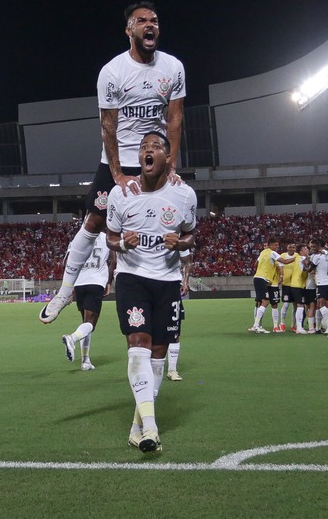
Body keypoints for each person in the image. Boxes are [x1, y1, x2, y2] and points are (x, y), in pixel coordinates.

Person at [39, 1, 186, 326]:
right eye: (142, 20)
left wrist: (171, 162)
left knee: (167, 224)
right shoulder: (112, 72)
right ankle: (65, 291)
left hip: (155, 158)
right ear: (129, 30)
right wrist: (117, 172)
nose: (150, 25)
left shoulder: (173, 67)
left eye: (155, 20)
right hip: (118, 161)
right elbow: (108, 124)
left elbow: (175, 117)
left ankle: (169, 289)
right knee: (93, 222)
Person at [106, 131, 196, 454]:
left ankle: (137, 427)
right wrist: (121, 243)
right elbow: (110, 238)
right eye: (143, 146)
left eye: (155, 146)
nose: (147, 150)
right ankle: (153, 428)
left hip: (167, 281)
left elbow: (191, 236)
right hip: (132, 278)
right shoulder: (121, 194)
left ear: (167, 157)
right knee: (138, 345)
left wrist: (180, 242)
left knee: (158, 355)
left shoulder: (184, 195)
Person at [61, 239, 114, 371]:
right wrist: (109, 282)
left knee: (85, 324)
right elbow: (114, 260)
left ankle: (86, 360)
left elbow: (67, 263)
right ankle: (72, 338)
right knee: (91, 324)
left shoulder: (77, 239)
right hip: (95, 282)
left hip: (79, 283)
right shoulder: (106, 238)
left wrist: (68, 287)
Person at [166, 245, 192, 380]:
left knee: (174, 330)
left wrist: (185, 280)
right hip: (150, 286)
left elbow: (187, 260)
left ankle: (172, 369)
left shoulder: (176, 236)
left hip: (172, 286)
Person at [249, 238, 284, 334]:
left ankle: (275, 326)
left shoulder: (275, 256)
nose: (265, 248)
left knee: (274, 304)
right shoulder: (264, 254)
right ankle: (257, 325)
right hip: (264, 280)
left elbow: (280, 267)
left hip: (273, 283)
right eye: (264, 246)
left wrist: (281, 276)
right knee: (260, 302)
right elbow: (256, 264)